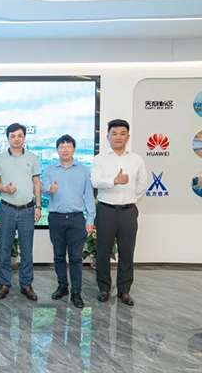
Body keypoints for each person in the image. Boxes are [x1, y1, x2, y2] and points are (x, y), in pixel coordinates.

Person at [91, 119, 147, 306]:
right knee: (103, 251)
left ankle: (124, 290)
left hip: (128, 211)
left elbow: (142, 185)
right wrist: (114, 181)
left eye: (122, 134)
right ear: (107, 137)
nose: (118, 137)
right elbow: (95, 182)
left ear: (128, 137)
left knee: (127, 252)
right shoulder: (99, 159)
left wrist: (130, 198)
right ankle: (104, 288)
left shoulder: (136, 160)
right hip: (106, 211)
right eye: (114, 134)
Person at [41, 134, 96, 308]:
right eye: (62, 147)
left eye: (68, 146)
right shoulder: (50, 169)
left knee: (75, 257)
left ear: (74, 149)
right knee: (58, 255)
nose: (65, 150)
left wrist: (90, 218)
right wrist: (50, 189)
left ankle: (76, 292)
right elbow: (43, 189)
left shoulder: (83, 170)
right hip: (56, 217)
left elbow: (89, 196)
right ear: (57, 149)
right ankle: (62, 286)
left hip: (76, 218)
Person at [0, 123, 41, 301]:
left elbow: (36, 183)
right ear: (8, 138)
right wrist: (4, 188)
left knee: (27, 250)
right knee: (5, 248)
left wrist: (38, 206)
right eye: (12, 136)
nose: (16, 139)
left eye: (20, 135)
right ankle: (4, 284)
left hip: (27, 209)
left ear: (24, 137)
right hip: (7, 209)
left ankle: (26, 284)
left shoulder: (33, 158)